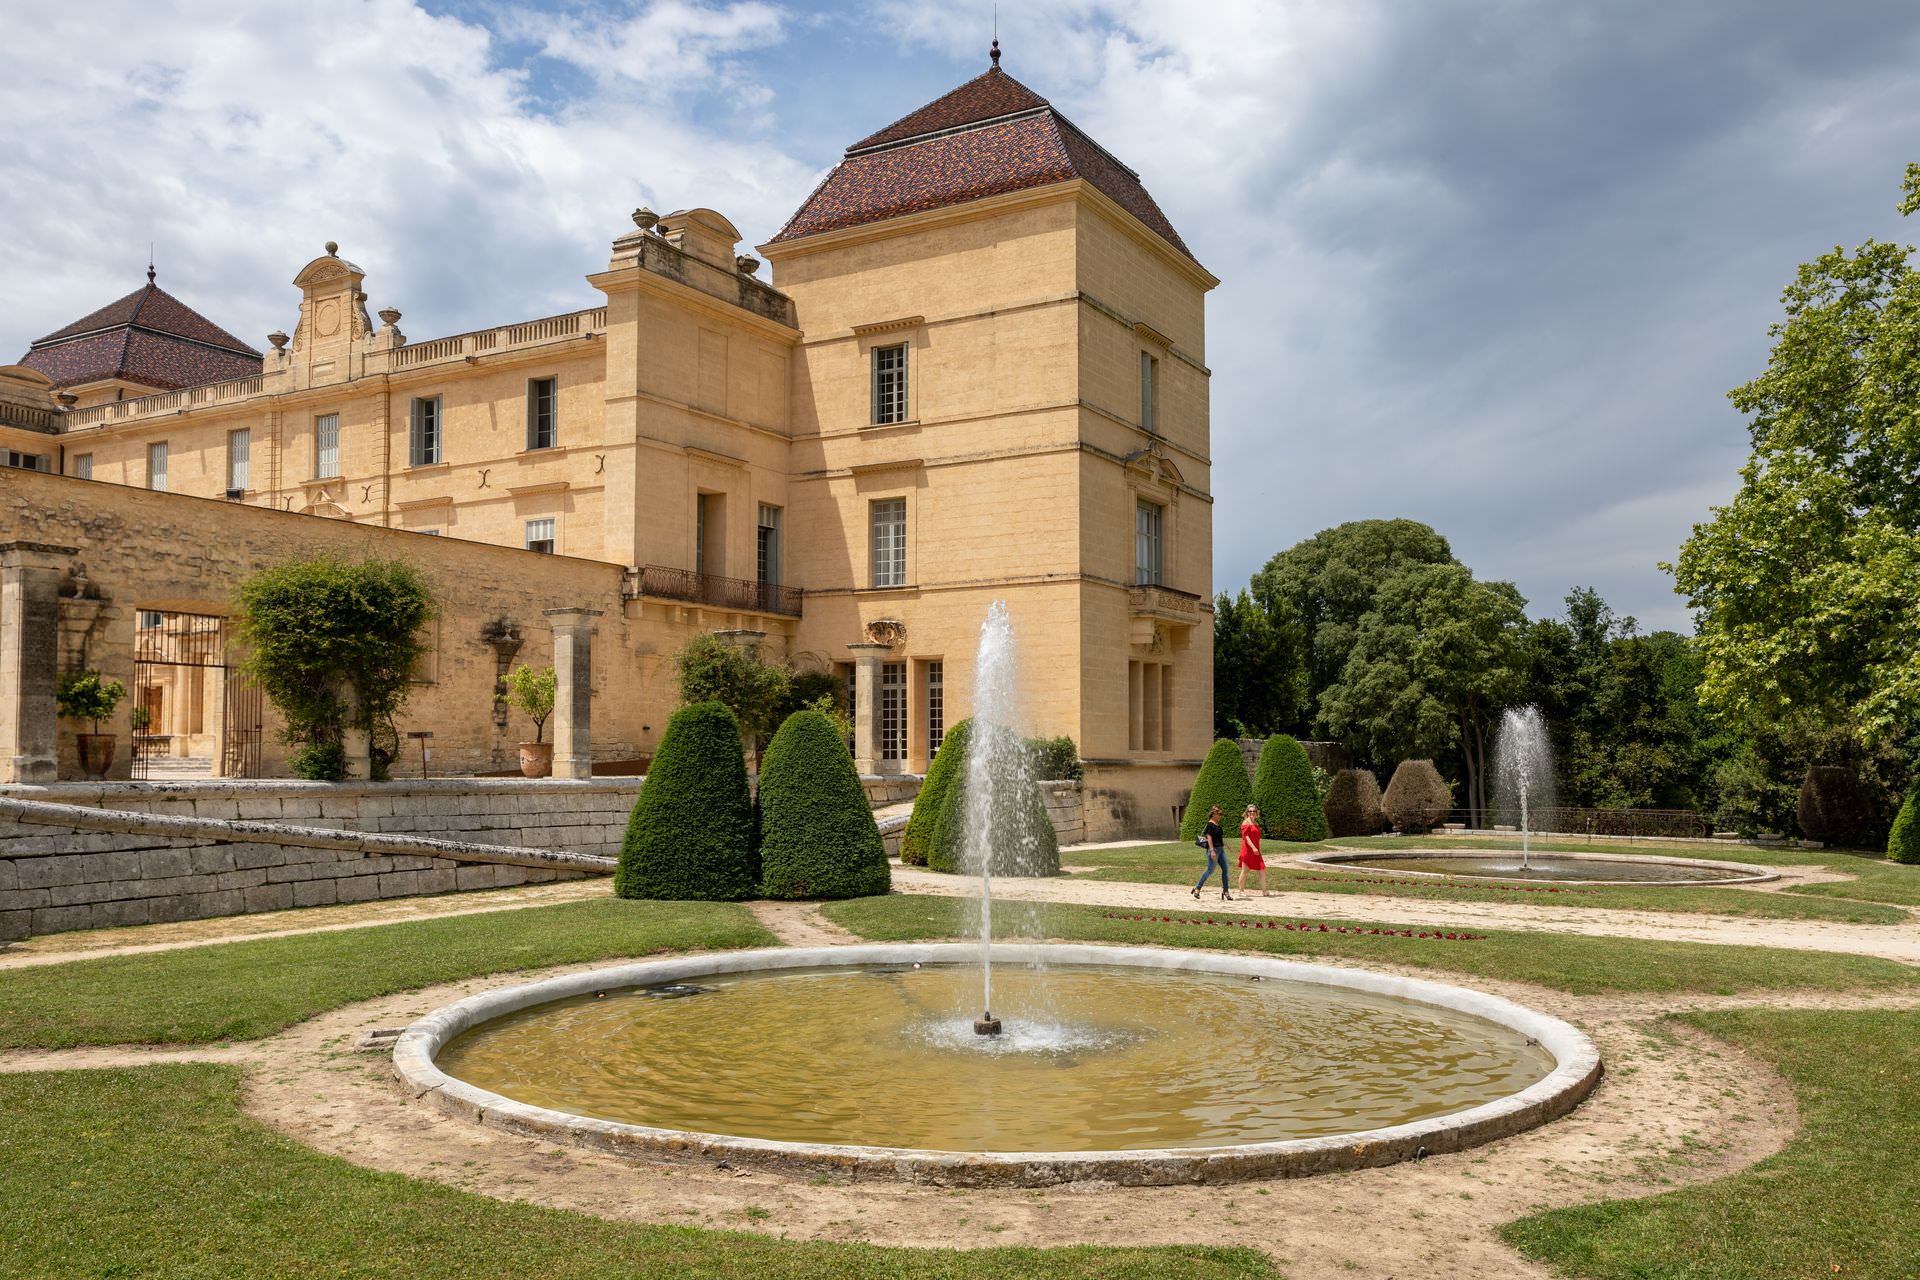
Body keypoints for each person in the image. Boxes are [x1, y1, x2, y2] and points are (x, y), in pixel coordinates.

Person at [1191, 804, 1232, 900]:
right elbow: (1209, 837)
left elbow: (1218, 838)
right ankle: (1197, 887)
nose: (1220, 816)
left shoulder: (1217, 824)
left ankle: (1225, 891)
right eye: (1219, 814)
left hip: (1221, 850)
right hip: (1214, 850)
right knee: (1210, 870)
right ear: (1214, 814)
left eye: (1221, 814)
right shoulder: (1210, 824)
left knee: (1225, 870)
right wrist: (1212, 851)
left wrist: (1226, 845)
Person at [1236, 803, 1269, 896]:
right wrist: (1253, 847)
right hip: (1247, 850)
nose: (1252, 813)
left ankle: (1264, 891)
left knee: (1262, 870)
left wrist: (1256, 848)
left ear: (1256, 812)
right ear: (1247, 812)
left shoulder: (1256, 823)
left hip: (1256, 851)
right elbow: (1246, 837)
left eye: (1254, 811)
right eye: (1250, 811)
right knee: (1245, 871)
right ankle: (1241, 891)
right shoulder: (1245, 823)